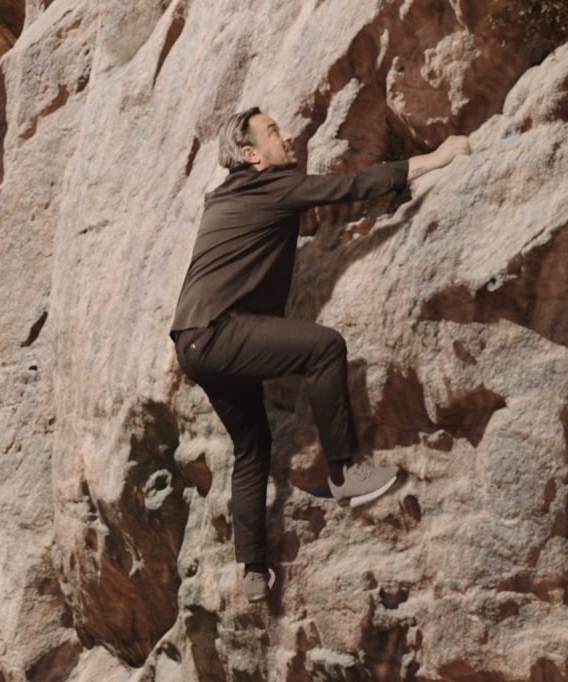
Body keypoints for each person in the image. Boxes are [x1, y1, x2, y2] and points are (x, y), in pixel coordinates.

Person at [171, 107, 470, 604]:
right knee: (323, 347)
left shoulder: (228, 199)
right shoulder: (273, 186)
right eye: (273, 132)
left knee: (252, 448)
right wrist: (433, 159)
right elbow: (347, 188)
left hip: (193, 343)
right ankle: (345, 472)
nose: (287, 134)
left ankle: (252, 570)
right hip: (222, 331)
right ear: (252, 156)